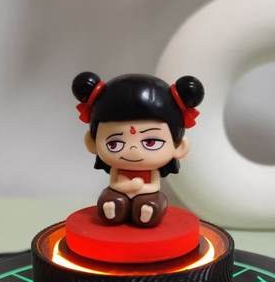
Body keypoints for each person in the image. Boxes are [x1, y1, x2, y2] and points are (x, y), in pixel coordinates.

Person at [72, 72, 204, 227]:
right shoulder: (117, 169)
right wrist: (129, 187)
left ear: (179, 147)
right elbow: (114, 183)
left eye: (150, 142)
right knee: (110, 198)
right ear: (92, 143)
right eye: (114, 144)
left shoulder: (152, 172)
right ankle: (112, 211)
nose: (133, 149)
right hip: (119, 192)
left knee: (153, 201)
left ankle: (147, 212)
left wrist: (140, 188)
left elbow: (154, 186)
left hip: (147, 194)